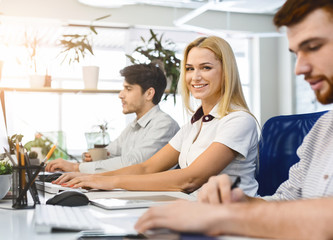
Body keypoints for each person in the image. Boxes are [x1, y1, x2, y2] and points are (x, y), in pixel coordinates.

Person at [135, 1, 333, 239]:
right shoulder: (322, 130)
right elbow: (287, 200)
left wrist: (226, 217)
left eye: (313, 47)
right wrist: (241, 202)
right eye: (296, 54)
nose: (298, 68)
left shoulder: (238, 120)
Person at [53, 36, 259, 195]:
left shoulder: (239, 120)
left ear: (226, 72)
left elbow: (191, 178)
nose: (195, 77)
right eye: (189, 69)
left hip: (229, 216)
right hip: (194, 209)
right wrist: (86, 176)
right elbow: (147, 167)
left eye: (206, 68)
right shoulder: (193, 125)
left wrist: (106, 181)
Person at [45, 63, 180, 173]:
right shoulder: (134, 126)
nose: (120, 95)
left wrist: (76, 168)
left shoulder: (164, 125)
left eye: (128, 89)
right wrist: (91, 158)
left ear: (149, 94)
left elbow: (134, 163)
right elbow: (110, 153)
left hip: (154, 200)